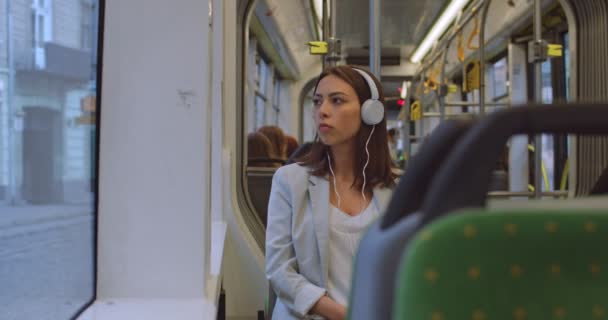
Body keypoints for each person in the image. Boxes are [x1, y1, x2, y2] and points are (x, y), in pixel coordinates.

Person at [265, 65, 399, 320]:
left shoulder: (397, 188)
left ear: (371, 112)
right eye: (317, 102)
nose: (322, 111)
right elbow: (279, 270)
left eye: (337, 101)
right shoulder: (290, 181)